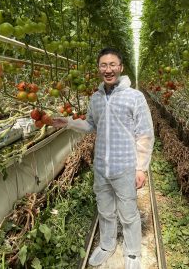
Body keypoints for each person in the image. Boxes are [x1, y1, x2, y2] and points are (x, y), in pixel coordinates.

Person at [52, 47, 155, 269]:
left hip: (125, 166)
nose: (108, 70)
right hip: (101, 167)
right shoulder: (96, 98)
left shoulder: (134, 97)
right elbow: (90, 124)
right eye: (103, 65)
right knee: (105, 210)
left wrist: (141, 168)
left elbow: (145, 133)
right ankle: (107, 245)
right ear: (99, 68)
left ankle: (133, 252)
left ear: (121, 67)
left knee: (128, 212)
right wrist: (69, 122)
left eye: (112, 65)